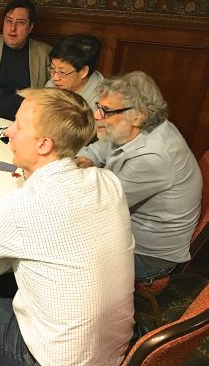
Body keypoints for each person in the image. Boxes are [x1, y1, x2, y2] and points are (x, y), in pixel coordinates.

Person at [0, 88, 135, 366]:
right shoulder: (109, 181)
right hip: (119, 352)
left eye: (18, 126)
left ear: (44, 144)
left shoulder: (24, 205)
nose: (8, 131)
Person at [76, 71, 202, 282]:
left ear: (139, 114)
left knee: (61, 254)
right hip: (125, 230)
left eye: (106, 111)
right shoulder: (135, 127)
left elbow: (100, 206)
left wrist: (64, 179)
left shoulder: (154, 156)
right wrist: (87, 158)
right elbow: (103, 147)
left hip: (147, 256)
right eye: (99, 107)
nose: (97, 116)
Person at [46, 34, 105, 110]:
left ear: (83, 72)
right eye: (52, 69)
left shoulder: (101, 99)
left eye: (62, 72)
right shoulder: (52, 84)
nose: (55, 78)